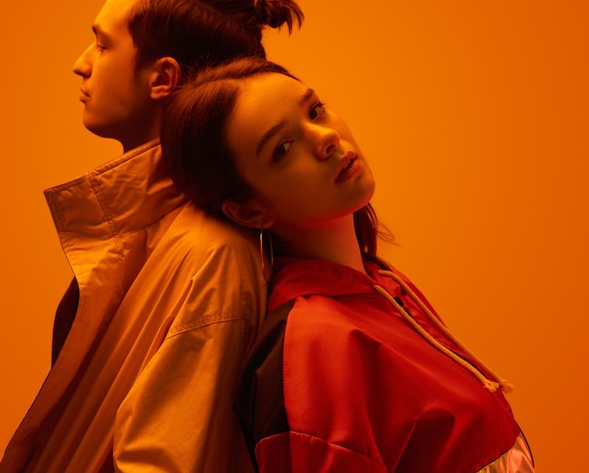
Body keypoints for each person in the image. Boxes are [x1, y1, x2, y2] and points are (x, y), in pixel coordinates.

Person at [0, 0, 304, 473]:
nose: (81, 62)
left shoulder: (214, 256)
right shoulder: (146, 232)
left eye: (102, 43)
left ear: (163, 77)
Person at [161, 57, 535, 472]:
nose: (325, 138)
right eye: (282, 149)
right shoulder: (316, 344)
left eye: (315, 110)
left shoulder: (381, 287)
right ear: (249, 212)